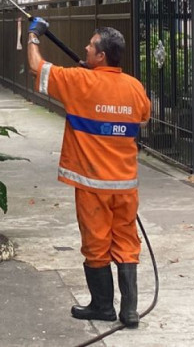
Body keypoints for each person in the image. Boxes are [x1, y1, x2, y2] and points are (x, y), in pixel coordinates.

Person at [26, 18, 150, 328]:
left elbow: (36, 67)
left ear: (101, 56)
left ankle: (103, 306)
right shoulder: (134, 87)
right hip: (125, 186)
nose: (85, 47)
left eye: (90, 46)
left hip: (93, 186)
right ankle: (130, 312)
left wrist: (33, 35)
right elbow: (143, 119)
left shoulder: (79, 82)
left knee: (96, 244)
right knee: (126, 242)